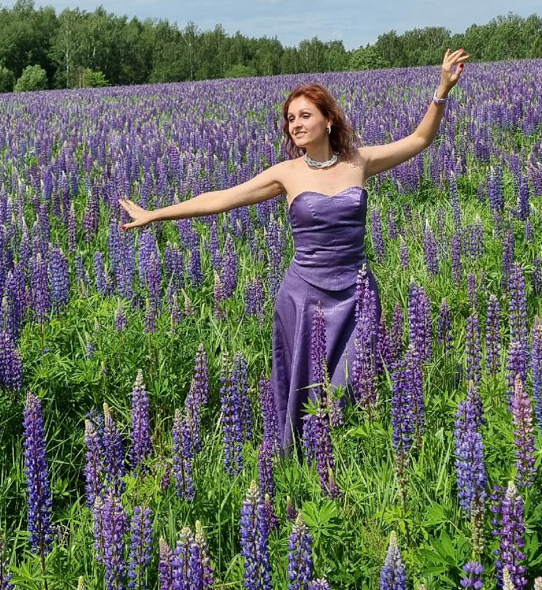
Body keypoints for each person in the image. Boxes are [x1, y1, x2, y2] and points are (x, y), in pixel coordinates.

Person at [119, 47, 470, 452]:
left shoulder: (359, 161)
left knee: (355, 383)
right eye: (290, 119)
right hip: (304, 298)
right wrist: (156, 214)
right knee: (306, 392)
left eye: (305, 115)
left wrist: (442, 90)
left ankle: (351, 461)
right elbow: (221, 198)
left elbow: (420, 139)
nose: (296, 124)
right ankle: (299, 467)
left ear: (328, 119)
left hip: (357, 294)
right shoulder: (287, 173)